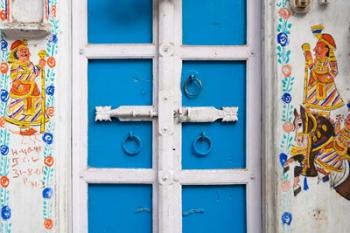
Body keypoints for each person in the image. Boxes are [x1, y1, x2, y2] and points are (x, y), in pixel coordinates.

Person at [302, 25, 344, 118]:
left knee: (325, 109)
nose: (315, 49)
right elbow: (312, 66)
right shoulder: (317, 59)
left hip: (327, 87)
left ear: (326, 49)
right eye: (316, 47)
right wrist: (307, 54)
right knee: (312, 110)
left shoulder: (330, 59)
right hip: (314, 85)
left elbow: (334, 71)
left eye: (319, 47)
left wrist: (324, 78)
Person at [5, 40, 46, 136]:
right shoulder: (15, 65)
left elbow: (35, 72)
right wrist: (27, 77)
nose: (25, 56)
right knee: (22, 109)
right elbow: (15, 76)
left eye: (26, 54)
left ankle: (28, 127)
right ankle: (23, 128)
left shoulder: (30, 64)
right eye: (22, 55)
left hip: (32, 90)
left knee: (31, 109)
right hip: (21, 90)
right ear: (17, 55)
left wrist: (40, 66)